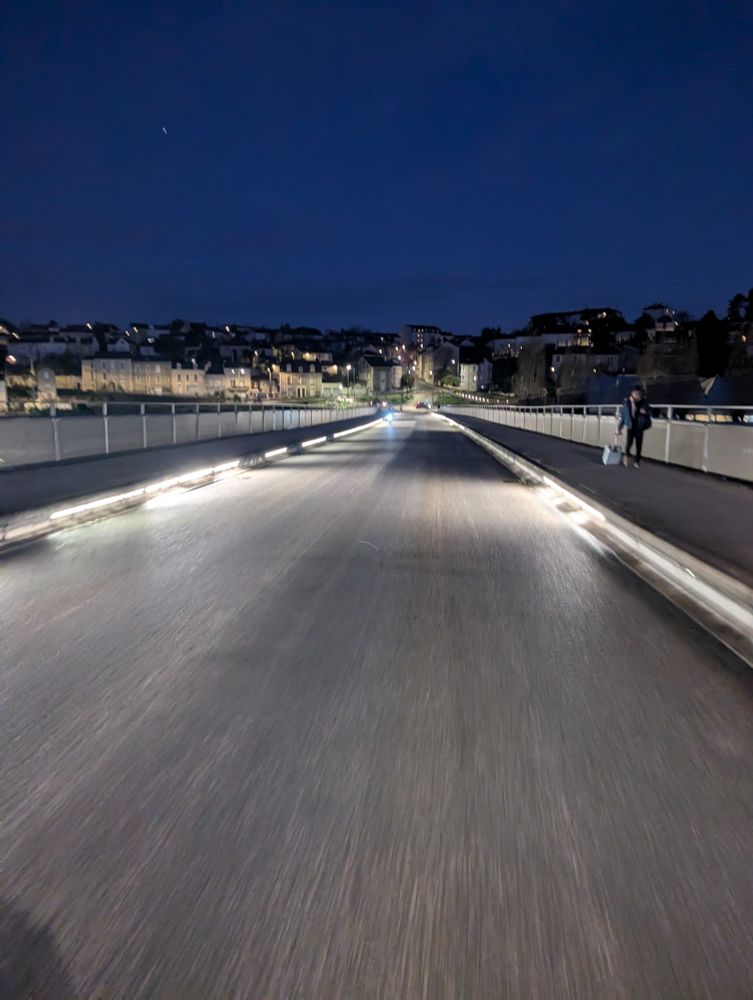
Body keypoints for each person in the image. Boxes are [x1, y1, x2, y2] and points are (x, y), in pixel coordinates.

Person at [618, 385, 652, 467]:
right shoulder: (627, 402)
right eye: (636, 393)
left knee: (638, 444)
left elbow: (651, 411)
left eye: (639, 393)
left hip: (639, 425)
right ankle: (625, 457)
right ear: (632, 393)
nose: (637, 395)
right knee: (629, 443)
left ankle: (637, 461)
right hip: (630, 425)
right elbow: (623, 416)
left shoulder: (643, 401)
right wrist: (620, 427)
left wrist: (646, 412)